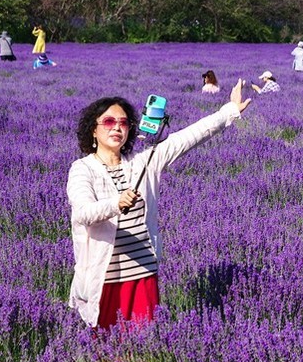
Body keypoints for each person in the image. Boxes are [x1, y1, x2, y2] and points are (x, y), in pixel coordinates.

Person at [66, 79, 252, 329]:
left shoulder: (144, 160)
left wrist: (228, 111)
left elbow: (186, 138)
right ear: (93, 129)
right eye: (109, 122)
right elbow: (82, 213)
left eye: (123, 123)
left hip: (142, 271)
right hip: (104, 277)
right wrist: (116, 203)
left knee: (144, 347)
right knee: (106, 351)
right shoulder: (82, 169)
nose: (117, 128)